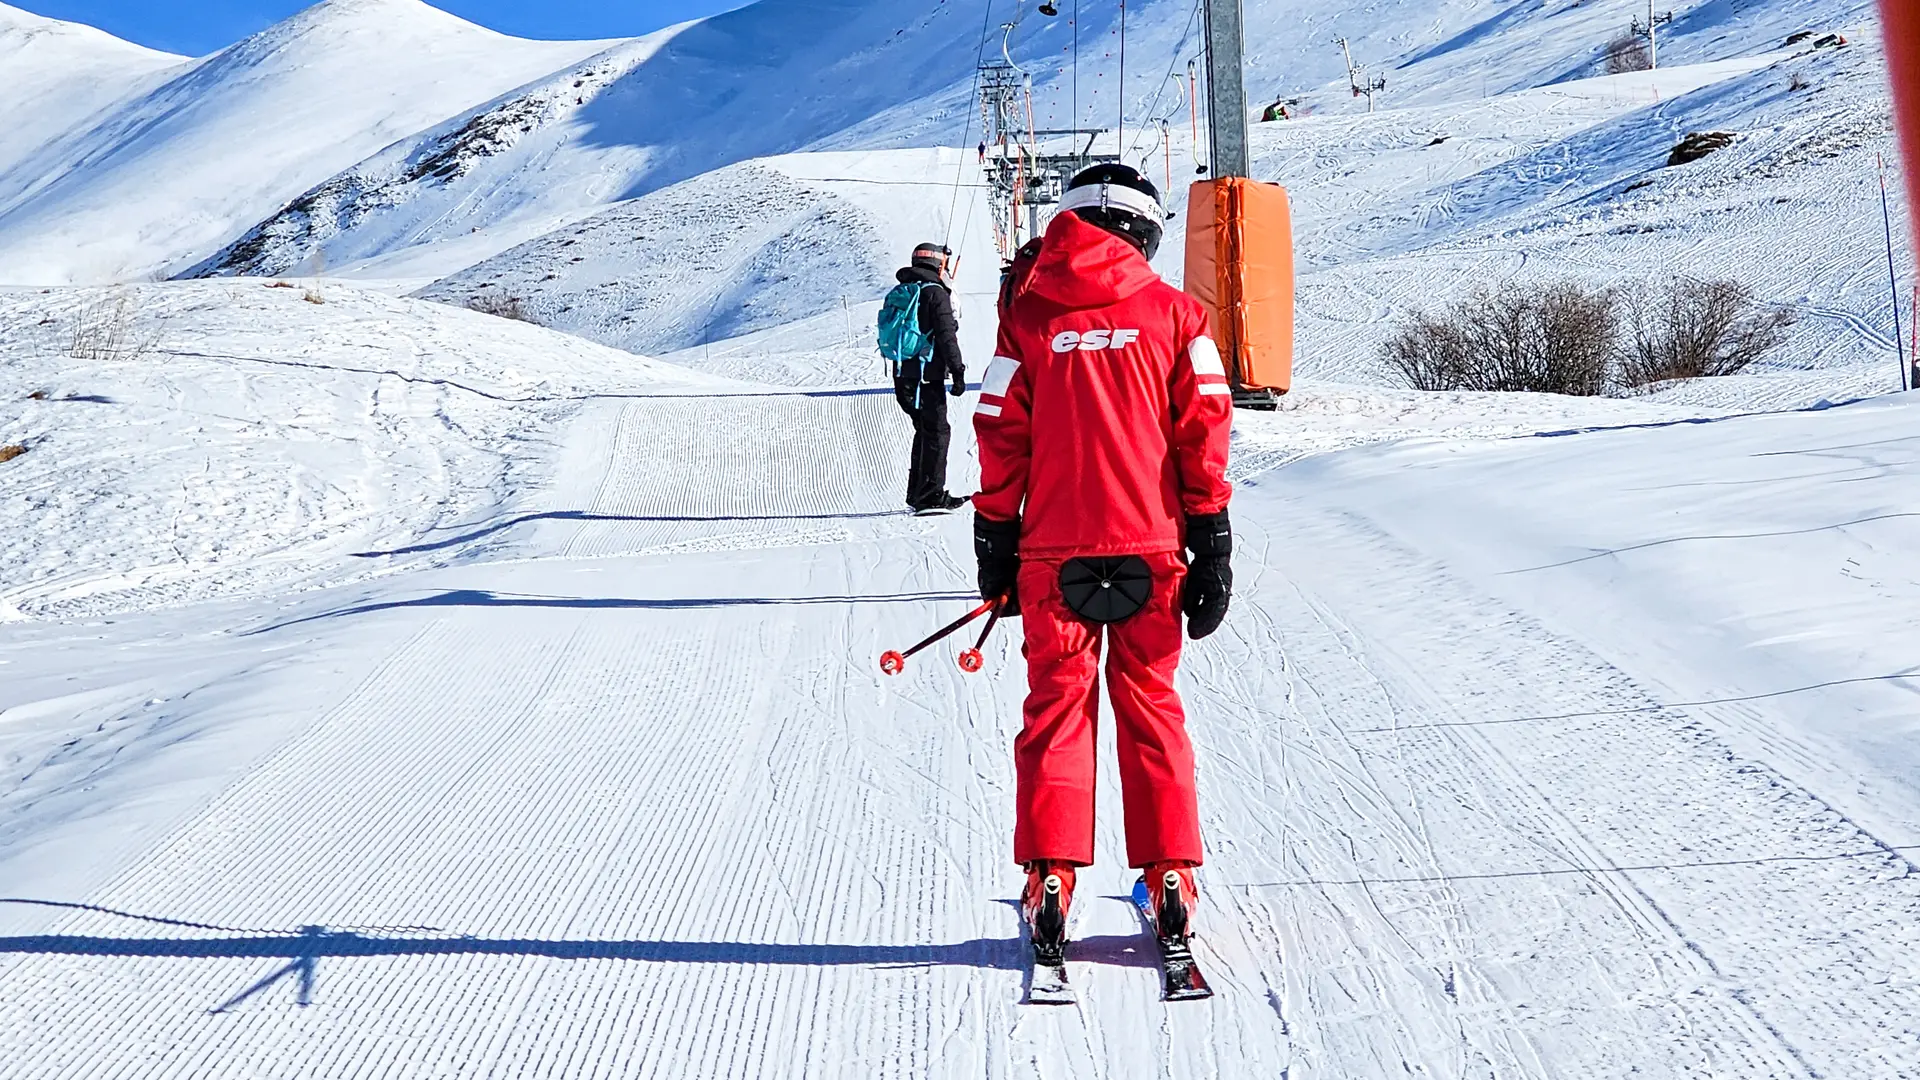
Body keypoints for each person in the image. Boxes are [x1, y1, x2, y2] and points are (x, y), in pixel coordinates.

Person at [974, 164, 1234, 953]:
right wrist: (1213, 536)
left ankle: (1050, 874)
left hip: (1053, 555)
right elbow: (1206, 427)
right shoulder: (1178, 315)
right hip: (1152, 550)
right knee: (1151, 706)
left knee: (1056, 707)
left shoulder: (1027, 321)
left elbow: (997, 427)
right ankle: (1170, 878)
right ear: (1146, 233)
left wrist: (993, 537)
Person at [890, 242, 967, 514]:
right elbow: (947, 337)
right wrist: (958, 371)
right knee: (937, 432)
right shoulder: (935, 293)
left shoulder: (902, 290)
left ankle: (917, 493)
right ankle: (932, 496)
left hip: (903, 374)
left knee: (924, 430)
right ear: (938, 265)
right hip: (926, 376)